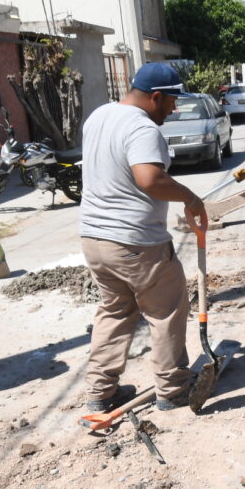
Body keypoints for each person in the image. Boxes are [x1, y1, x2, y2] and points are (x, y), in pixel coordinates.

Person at [79, 63, 208, 412]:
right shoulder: (141, 127)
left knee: (115, 311)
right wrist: (191, 199)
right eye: (172, 101)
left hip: (94, 239)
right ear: (156, 97)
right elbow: (149, 178)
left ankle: (100, 392)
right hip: (135, 241)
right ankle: (173, 389)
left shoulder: (99, 116)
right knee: (166, 311)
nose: (174, 109)